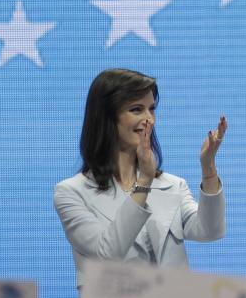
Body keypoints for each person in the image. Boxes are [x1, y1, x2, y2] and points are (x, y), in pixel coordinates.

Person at [54, 68, 226, 285]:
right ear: (106, 117)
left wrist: (208, 168)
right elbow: (107, 254)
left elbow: (210, 231)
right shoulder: (71, 192)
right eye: (137, 110)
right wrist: (144, 181)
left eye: (151, 109)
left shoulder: (172, 185)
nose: (149, 120)